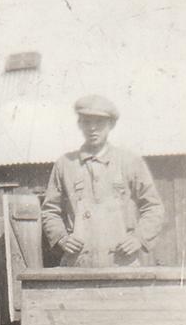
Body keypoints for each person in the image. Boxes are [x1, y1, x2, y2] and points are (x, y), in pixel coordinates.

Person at [41, 95, 165, 267]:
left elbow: (154, 207)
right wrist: (61, 237)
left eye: (99, 122)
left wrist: (139, 238)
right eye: (87, 122)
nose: (93, 129)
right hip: (78, 263)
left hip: (122, 263)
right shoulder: (65, 164)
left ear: (111, 125)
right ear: (79, 124)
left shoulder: (130, 162)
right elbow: (49, 211)